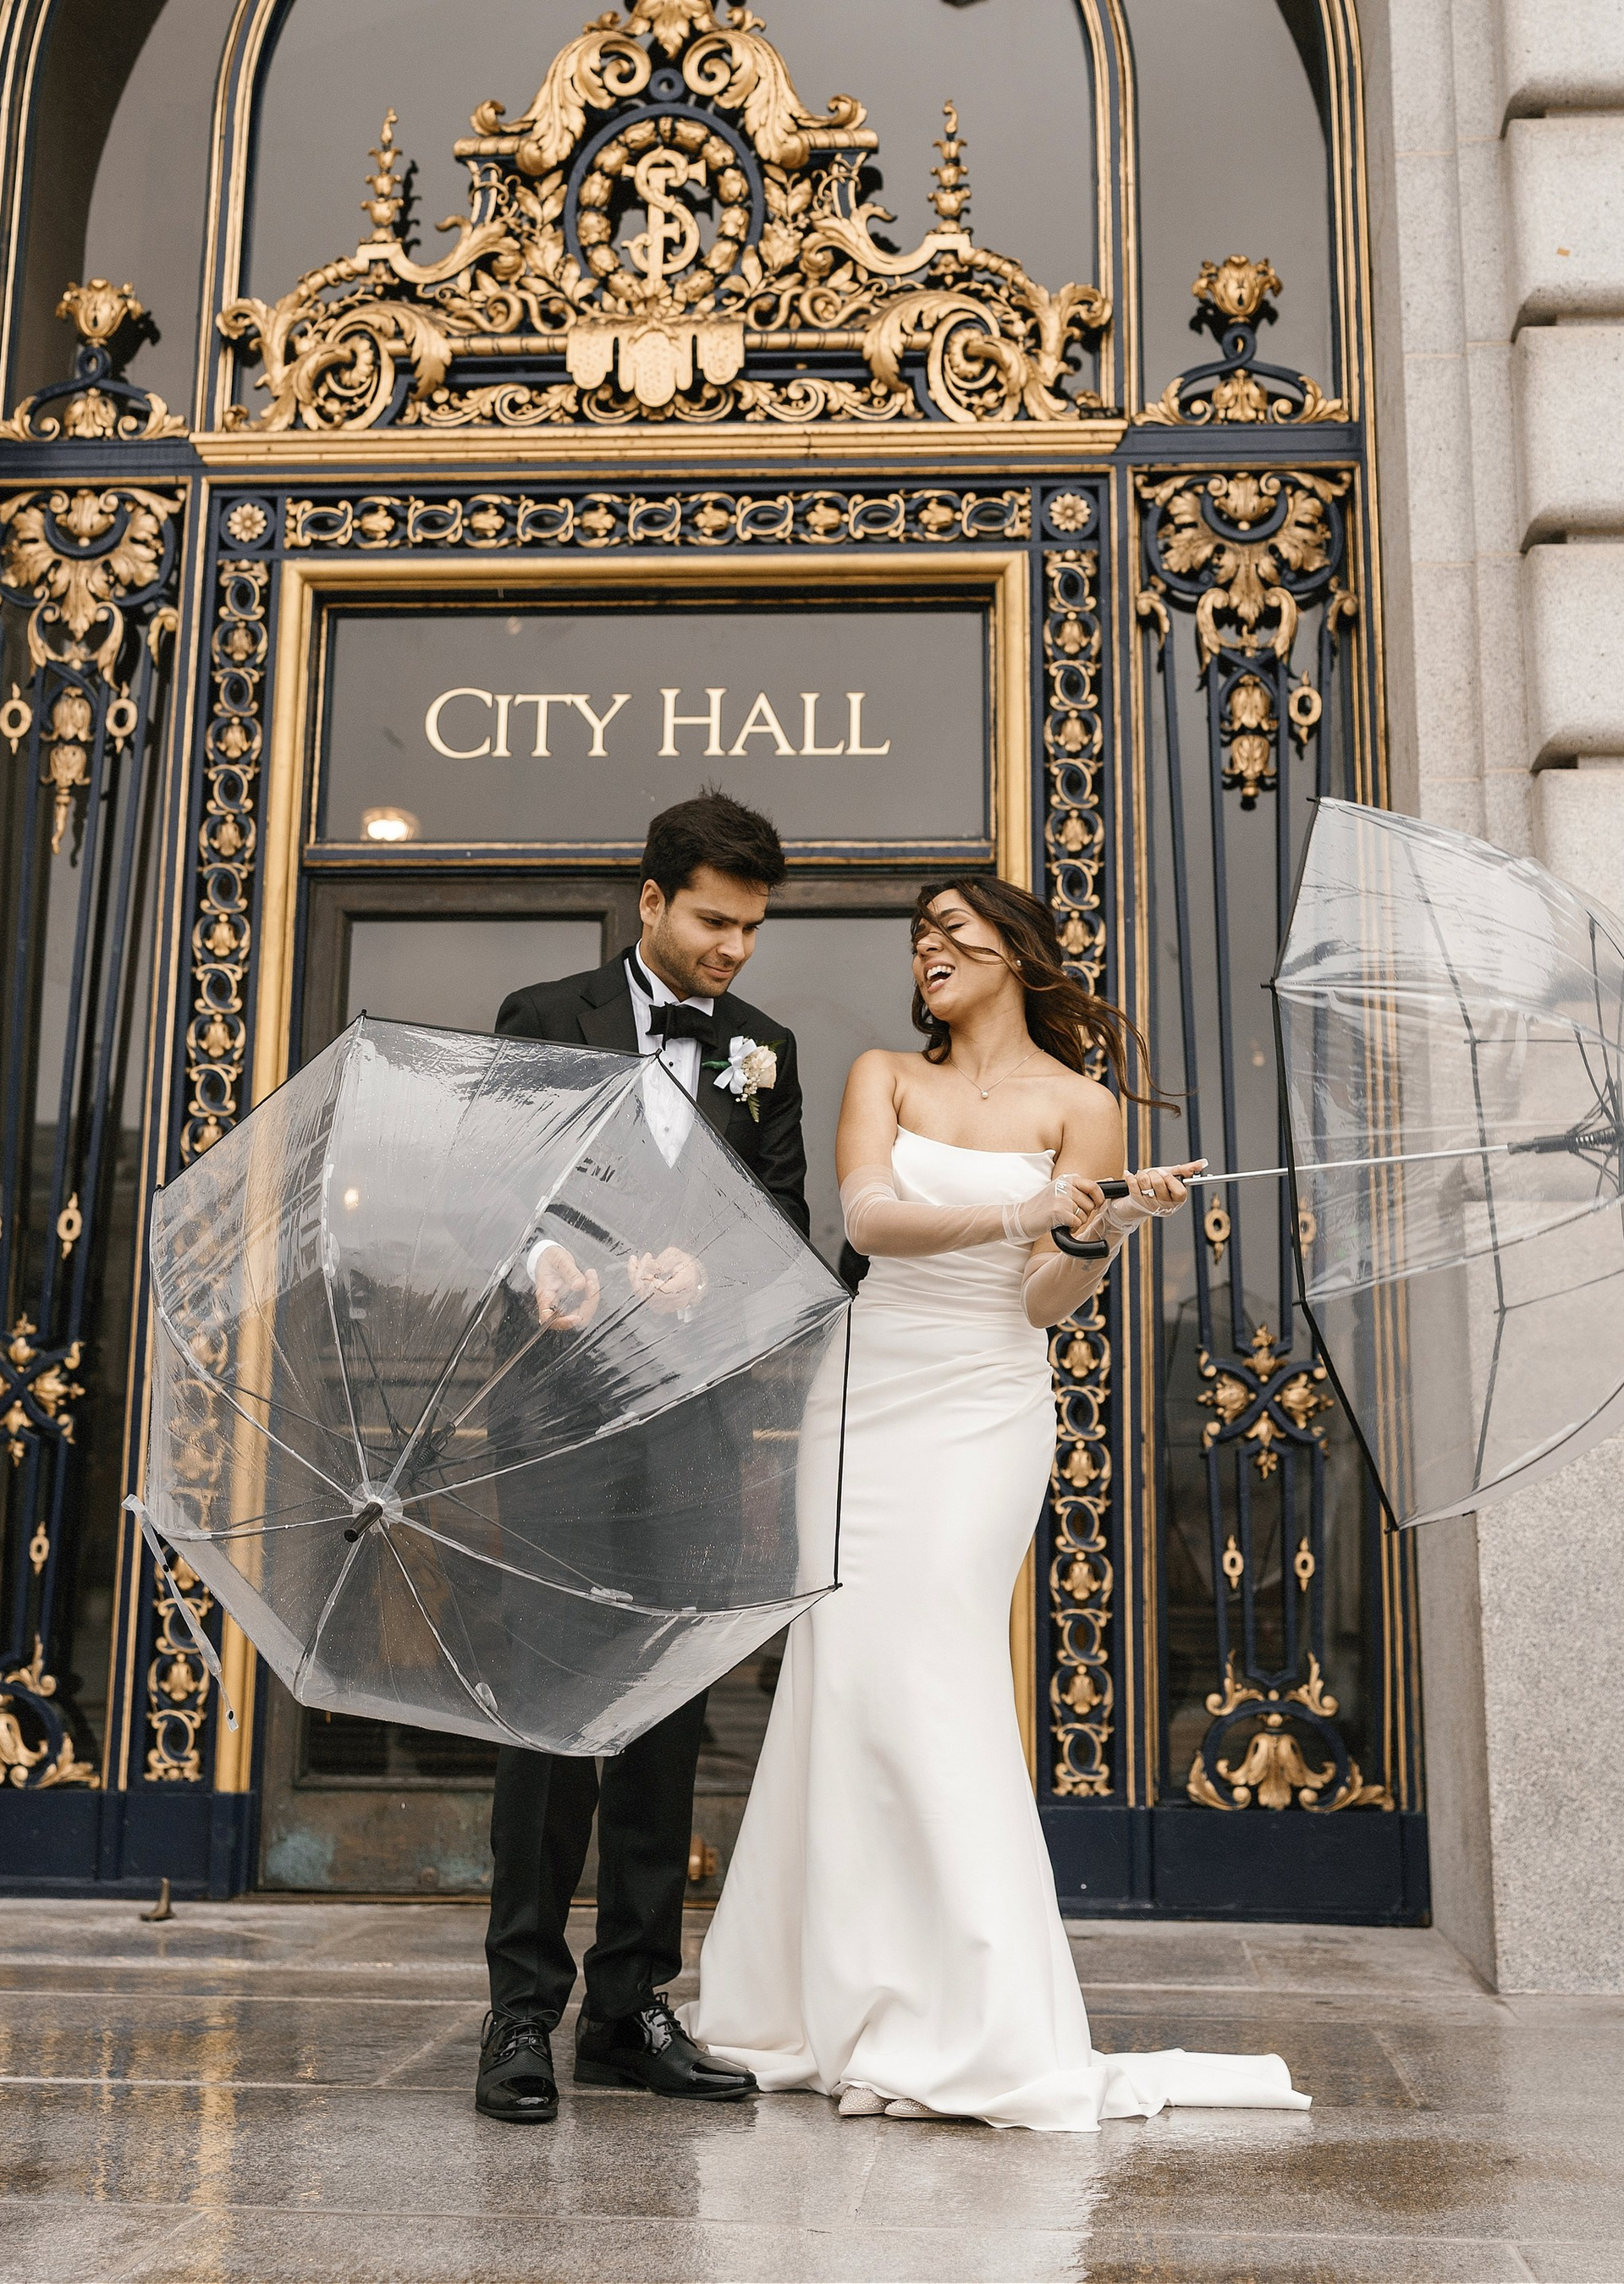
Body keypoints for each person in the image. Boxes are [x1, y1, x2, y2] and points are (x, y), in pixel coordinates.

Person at [694, 874, 1313, 2132]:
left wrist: (1106, 1231)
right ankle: (831, 2002)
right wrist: (1030, 1206)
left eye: (953, 934)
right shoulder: (885, 1075)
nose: (929, 951)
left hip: (983, 1405)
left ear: (1017, 956)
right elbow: (869, 1218)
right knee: (846, 1680)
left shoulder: (1082, 1106)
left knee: (934, 1672)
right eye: (919, 936)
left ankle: (969, 2014)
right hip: (867, 1395)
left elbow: (1040, 1299)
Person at [475, 790, 808, 2126]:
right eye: (716, 922)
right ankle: (516, 2014)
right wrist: (545, 1258)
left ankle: (629, 2006)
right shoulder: (541, 1015)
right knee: (551, 1721)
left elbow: (783, 1219)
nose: (734, 951)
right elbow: (491, 1193)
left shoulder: (766, 1049)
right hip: (556, 1417)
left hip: (693, 1427)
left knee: (666, 1719)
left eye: (752, 930)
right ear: (653, 901)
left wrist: (709, 1264)